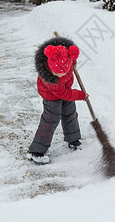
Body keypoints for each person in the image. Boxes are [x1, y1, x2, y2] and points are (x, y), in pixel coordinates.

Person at [27, 36, 88, 164]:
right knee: (50, 120)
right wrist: (80, 95)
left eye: (63, 73)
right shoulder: (52, 79)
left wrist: (73, 62)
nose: (59, 75)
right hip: (51, 96)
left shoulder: (68, 60)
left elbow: (71, 61)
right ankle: (36, 152)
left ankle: (73, 140)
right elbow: (64, 94)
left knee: (70, 113)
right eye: (56, 73)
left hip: (65, 89)